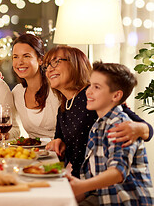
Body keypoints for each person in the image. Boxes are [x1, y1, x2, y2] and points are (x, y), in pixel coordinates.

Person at [44, 45, 153, 178]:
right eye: (47, 65)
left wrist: (139, 128)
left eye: (56, 61)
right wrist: (58, 142)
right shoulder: (63, 107)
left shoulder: (93, 97)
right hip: (79, 178)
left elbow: (146, 129)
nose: (49, 68)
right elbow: (60, 140)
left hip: (101, 183)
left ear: (76, 63)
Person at [67, 62, 153, 205]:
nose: (88, 91)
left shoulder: (120, 126)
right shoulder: (99, 124)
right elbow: (96, 173)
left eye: (97, 87)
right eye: (90, 85)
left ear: (116, 95)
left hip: (126, 201)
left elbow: (118, 171)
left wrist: (82, 185)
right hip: (103, 196)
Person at [11, 33, 60, 139]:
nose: (20, 62)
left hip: (60, 153)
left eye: (26, 56)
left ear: (40, 59)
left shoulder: (56, 88)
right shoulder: (17, 92)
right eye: (15, 57)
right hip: (34, 153)